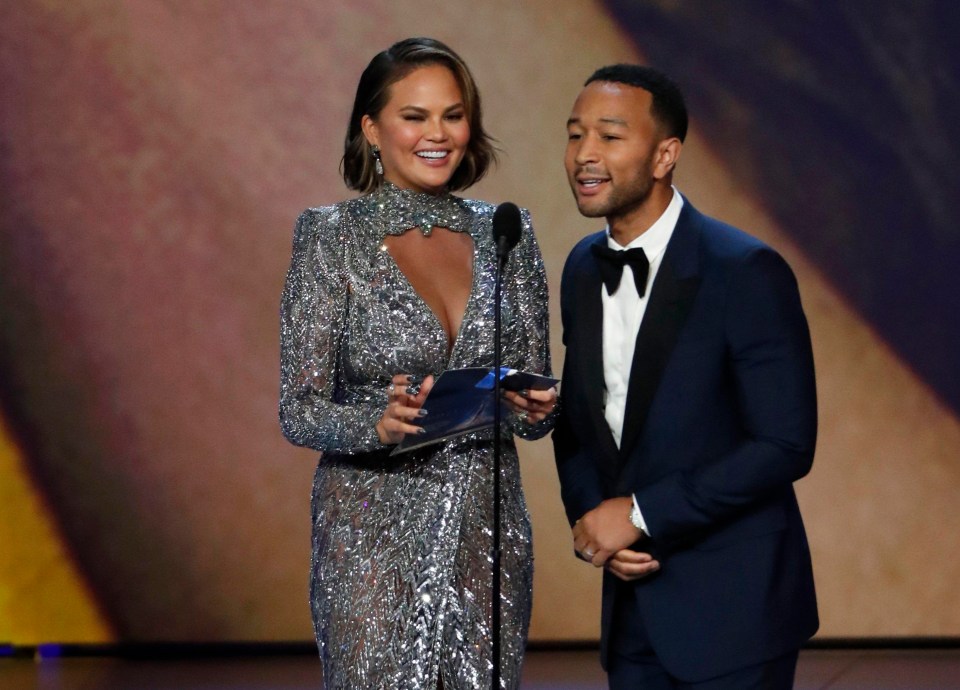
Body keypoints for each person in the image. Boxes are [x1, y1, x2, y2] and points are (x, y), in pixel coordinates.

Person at [279, 37, 556, 689]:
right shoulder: (329, 236)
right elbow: (298, 409)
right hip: (371, 530)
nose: (439, 134)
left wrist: (537, 407)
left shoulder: (506, 231)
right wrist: (374, 425)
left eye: (453, 115)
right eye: (416, 116)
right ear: (371, 129)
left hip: (486, 530)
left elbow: (530, 400)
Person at [552, 64, 818, 689]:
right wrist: (596, 518)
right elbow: (583, 419)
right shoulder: (581, 270)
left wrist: (640, 513)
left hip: (736, 611)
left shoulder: (746, 270)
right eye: (574, 134)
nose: (585, 155)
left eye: (610, 136)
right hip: (632, 614)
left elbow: (784, 443)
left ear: (665, 154)